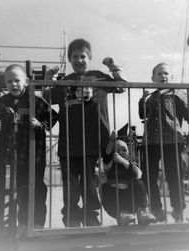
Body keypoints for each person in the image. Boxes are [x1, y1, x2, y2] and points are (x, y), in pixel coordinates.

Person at [44, 38, 127, 227]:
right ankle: (72, 216)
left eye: (83, 56)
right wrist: (50, 79)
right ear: (69, 60)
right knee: (70, 184)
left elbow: (122, 85)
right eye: (74, 57)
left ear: (90, 57)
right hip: (69, 143)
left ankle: (91, 215)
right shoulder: (64, 81)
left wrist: (114, 67)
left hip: (94, 140)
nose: (79, 60)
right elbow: (48, 97)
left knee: (90, 183)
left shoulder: (99, 76)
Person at [0, 64, 58, 232]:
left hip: (35, 155)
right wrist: (5, 110)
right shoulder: (6, 100)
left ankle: (38, 223)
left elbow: (54, 116)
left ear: (26, 81)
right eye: (9, 81)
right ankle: (23, 223)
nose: (13, 84)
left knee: (37, 188)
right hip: (16, 155)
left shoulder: (36, 100)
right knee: (22, 190)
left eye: (17, 80)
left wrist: (40, 124)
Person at [138, 63, 189, 222]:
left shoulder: (177, 94)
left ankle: (178, 209)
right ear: (152, 78)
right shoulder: (151, 97)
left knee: (175, 176)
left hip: (172, 140)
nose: (163, 76)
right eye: (159, 74)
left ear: (171, 77)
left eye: (166, 73)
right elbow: (142, 115)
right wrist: (143, 99)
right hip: (150, 141)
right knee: (149, 176)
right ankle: (156, 208)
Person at [101, 130, 156, 225]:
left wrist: (122, 161)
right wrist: (111, 142)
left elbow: (137, 174)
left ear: (129, 153)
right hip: (116, 200)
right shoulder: (110, 165)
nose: (120, 152)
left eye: (124, 150)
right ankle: (121, 214)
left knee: (139, 183)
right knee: (104, 187)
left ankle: (142, 211)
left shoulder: (131, 164)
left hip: (130, 199)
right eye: (116, 150)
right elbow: (106, 155)